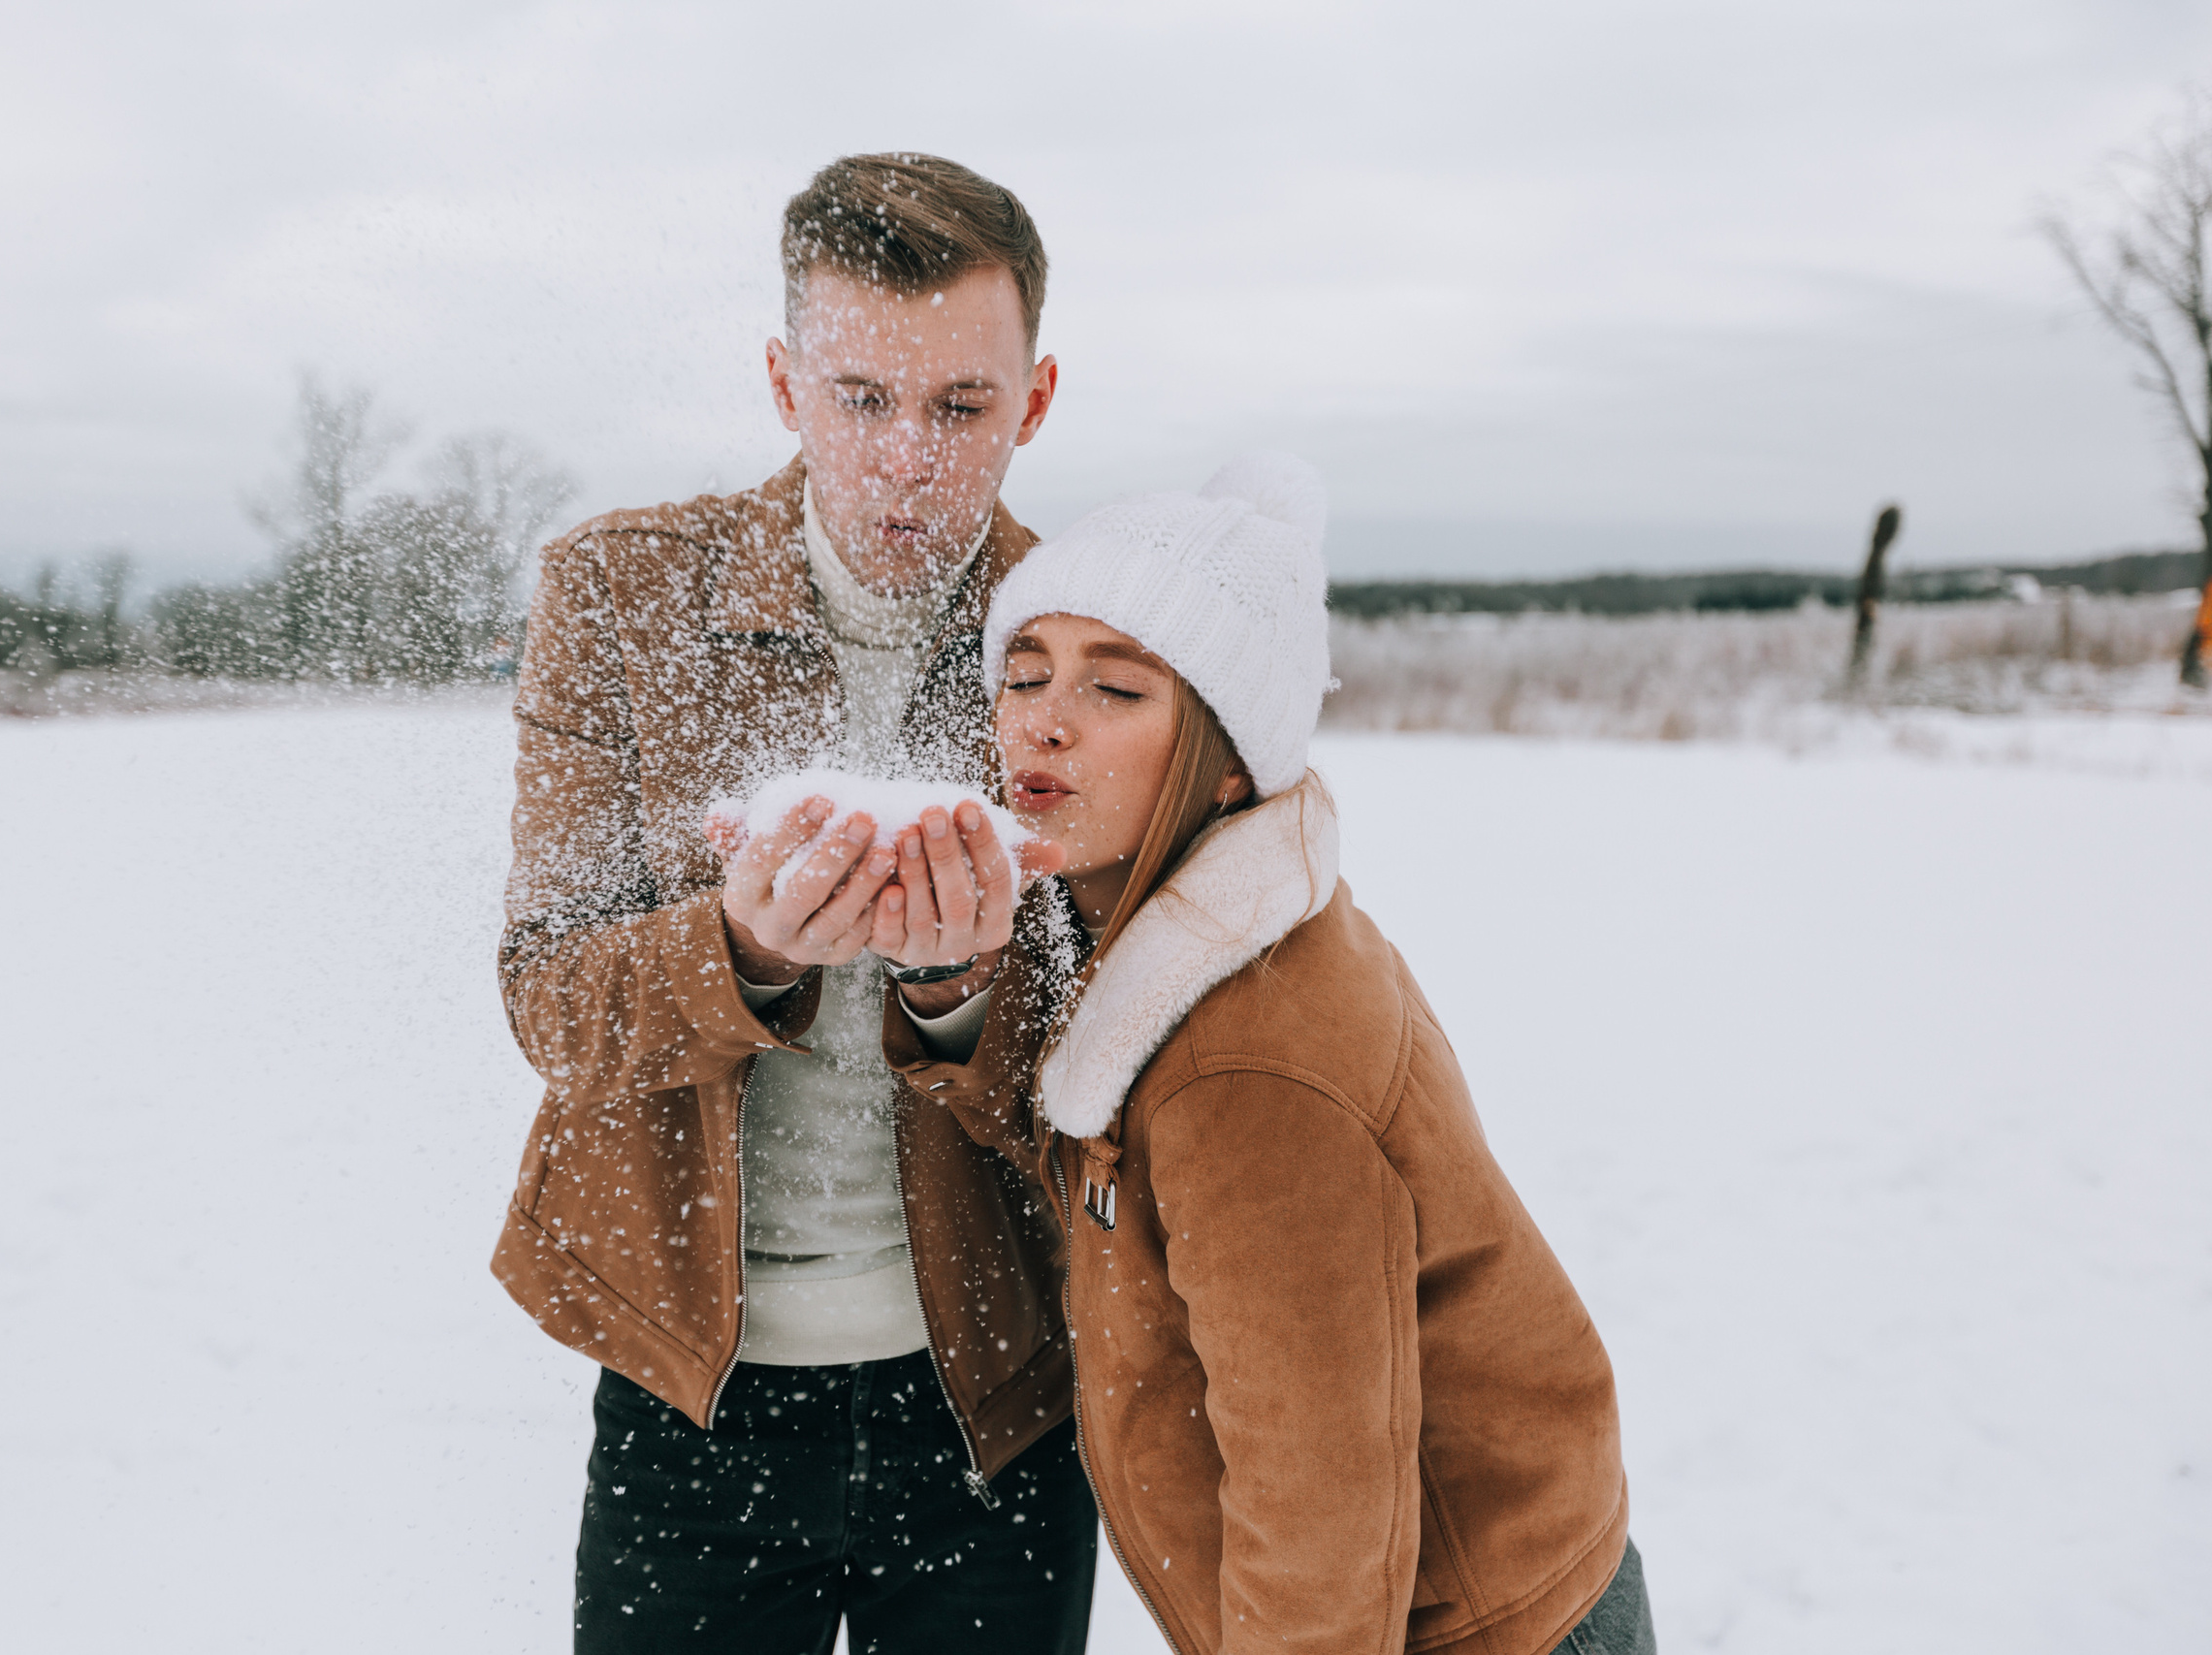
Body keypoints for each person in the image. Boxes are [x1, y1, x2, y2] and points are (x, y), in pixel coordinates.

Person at [882, 453, 1657, 1654]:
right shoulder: (1166, 932)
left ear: (1230, 754)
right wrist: (946, 981)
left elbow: (1319, 1506)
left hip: (1469, 1624)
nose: (1039, 715)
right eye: (1024, 673)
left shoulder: (1241, 1065)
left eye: (1116, 690)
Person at [489, 152, 1099, 1653]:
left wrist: (963, 987)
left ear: (1032, 401)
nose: (907, 458)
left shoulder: (1090, 641)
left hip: (999, 1405)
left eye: (961, 407)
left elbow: (1123, 1091)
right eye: (860, 399)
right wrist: (739, 950)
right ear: (783, 382)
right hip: (689, 1397)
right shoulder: (618, 598)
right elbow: (549, 998)